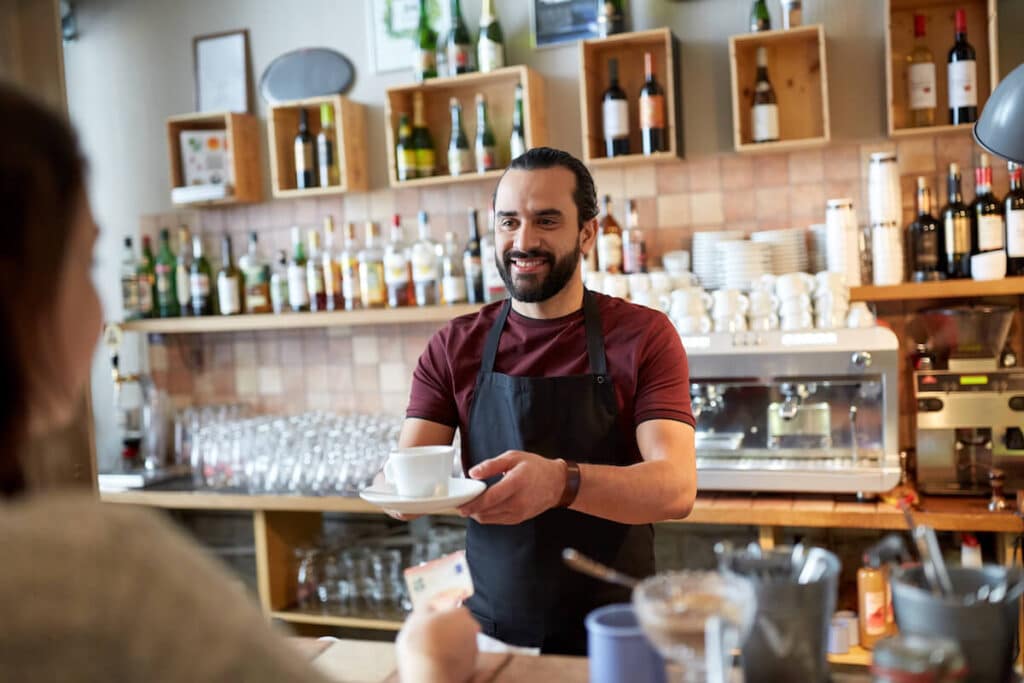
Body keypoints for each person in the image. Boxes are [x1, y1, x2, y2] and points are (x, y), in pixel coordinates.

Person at [0, 83, 479, 682]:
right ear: (19, 286)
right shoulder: (95, 569)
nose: (102, 309)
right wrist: (427, 664)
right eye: (85, 261)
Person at [400, 147, 697, 654]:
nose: (523, 241)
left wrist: (561, 482)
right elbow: (410, 471)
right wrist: (400, 488)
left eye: (546, 221)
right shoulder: (455, 345)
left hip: (616, 633)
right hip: (493, 634)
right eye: (508, 221)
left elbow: (675, 488)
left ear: (586, 232)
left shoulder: (644, 335)